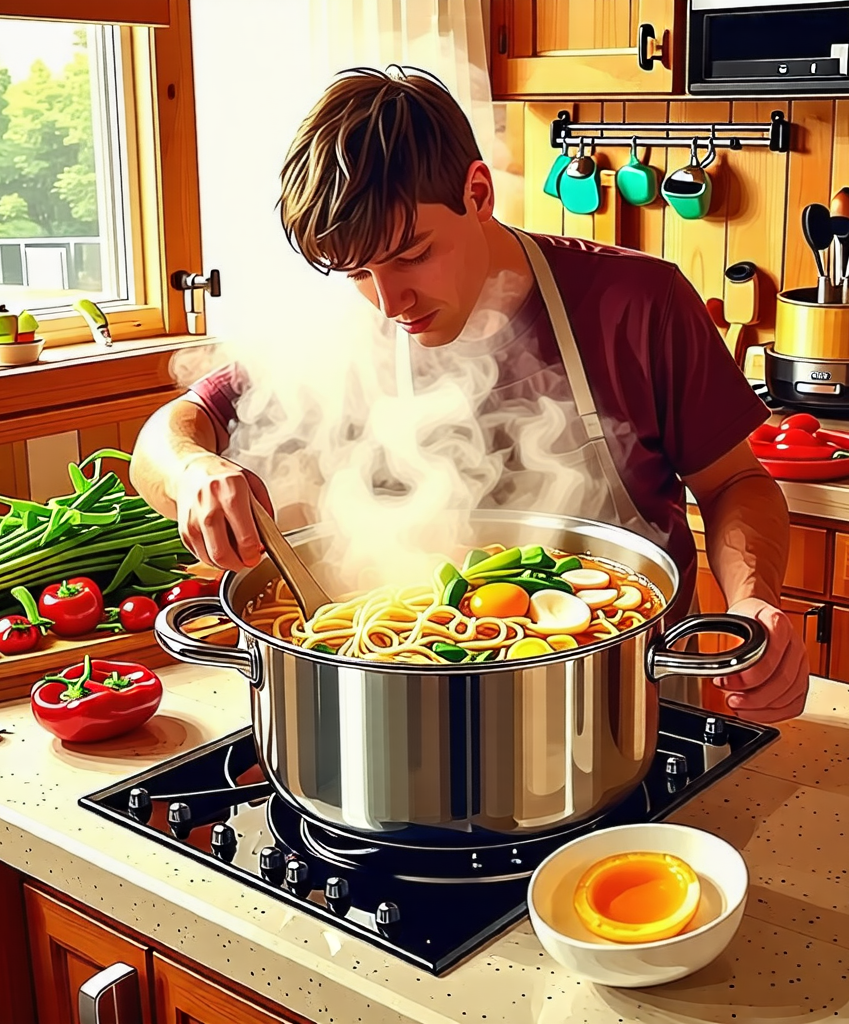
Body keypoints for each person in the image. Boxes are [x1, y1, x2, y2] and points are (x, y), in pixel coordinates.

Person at [132, 67, 808, 724]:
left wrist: (752, 601)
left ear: (478, 193)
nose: (389, 300)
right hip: (398, 716)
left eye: (412, 254)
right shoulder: (334, 331)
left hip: (620, 701)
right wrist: (195, 470)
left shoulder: (640, 302)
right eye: (358, 272)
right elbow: (164, 438)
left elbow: (735, 484)